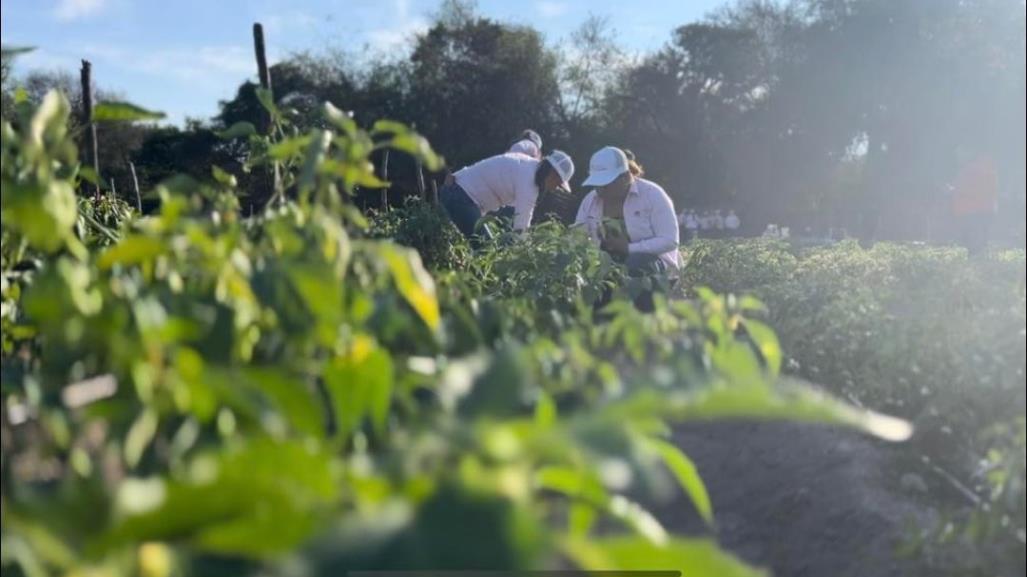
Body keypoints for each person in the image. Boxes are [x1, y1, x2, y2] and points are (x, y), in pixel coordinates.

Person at [574, 146, 680, 274]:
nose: (600, 189)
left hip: (654, 268)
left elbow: (669, 240)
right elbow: (578, 237)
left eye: (605, 185)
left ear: (625, 178)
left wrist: (628, 248)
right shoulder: (590, 200)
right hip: (605, 266)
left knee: (636, 263)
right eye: (597, 184)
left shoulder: (652, 194)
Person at [439, 150, 574, 239]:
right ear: (553, 175)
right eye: (558, 184)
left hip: (457, 190)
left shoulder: (527, 164)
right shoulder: (529, 182)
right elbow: (521, 228)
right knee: (486, 250)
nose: (555, 188)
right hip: (462, 198)